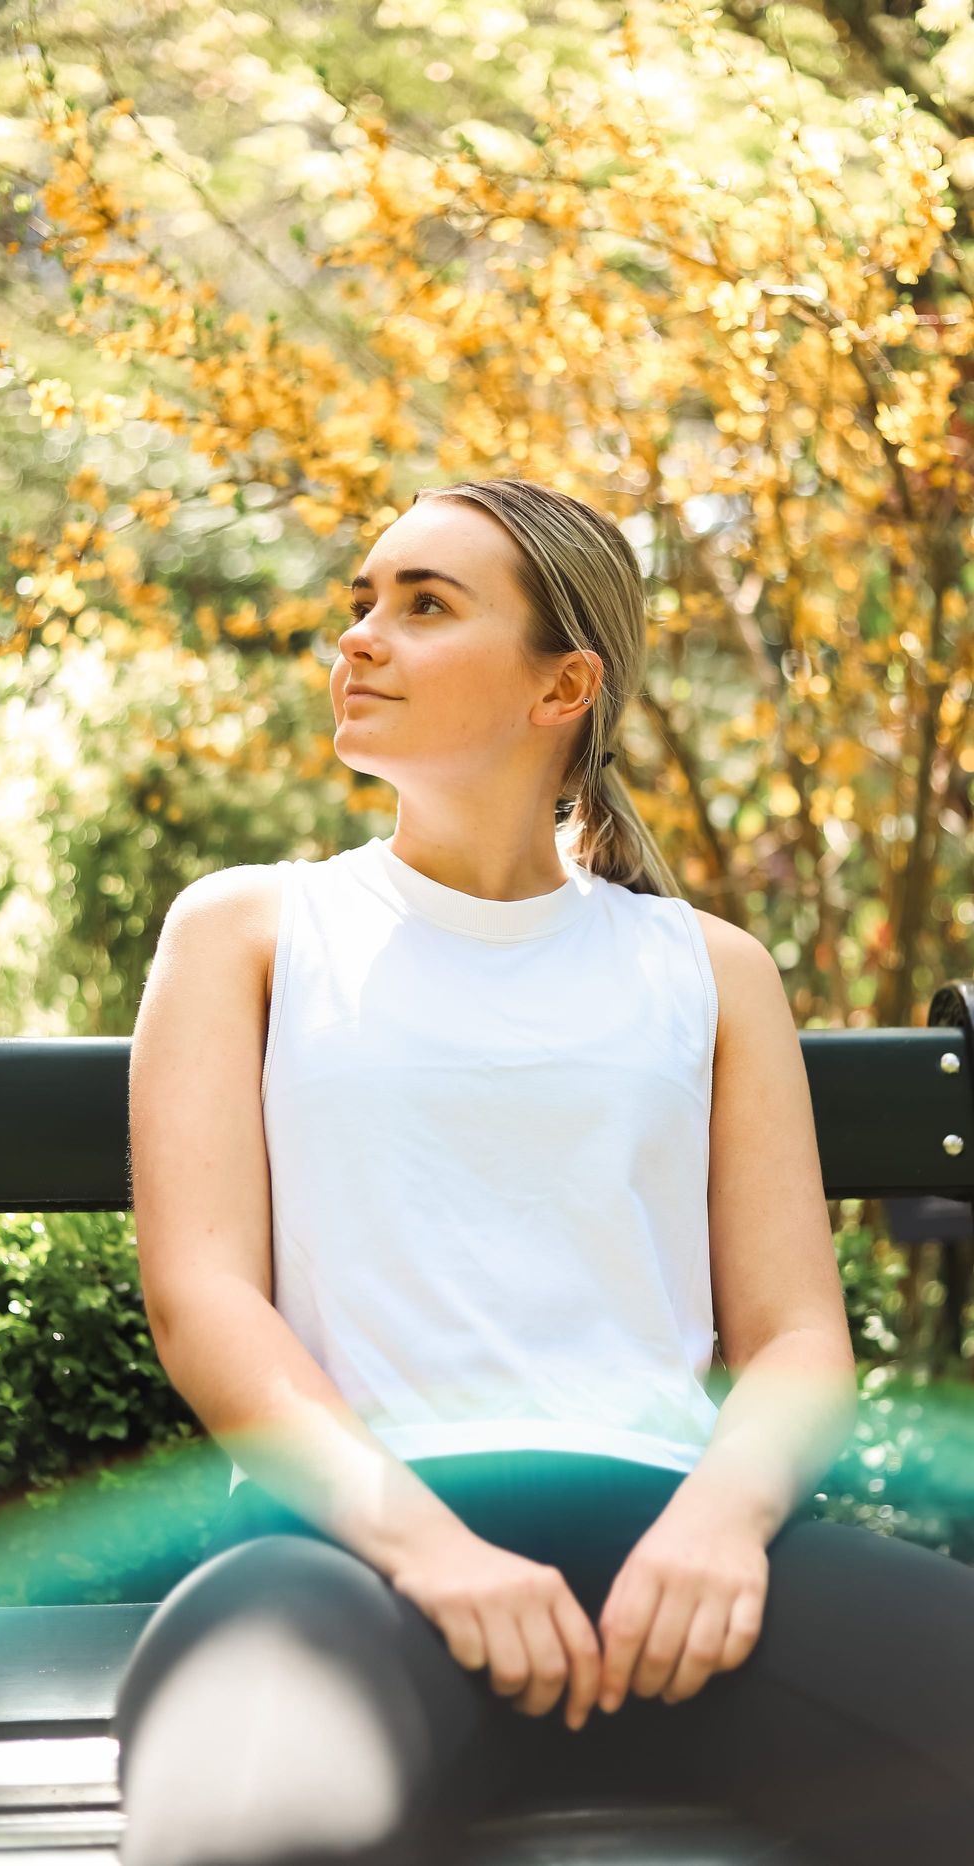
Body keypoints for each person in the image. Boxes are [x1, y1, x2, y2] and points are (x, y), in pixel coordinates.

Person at [114, 478, 974, 1866]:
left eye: (425, 605)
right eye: (362, 602)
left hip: (687, 1575)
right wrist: (438, 1555)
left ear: (562, 684)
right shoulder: (249, 932)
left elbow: (797, 1338)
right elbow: (201, 1296)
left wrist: (720, 1528)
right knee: (246, 1790)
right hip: (351, 1566)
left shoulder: (710, 969)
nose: (360, 637)